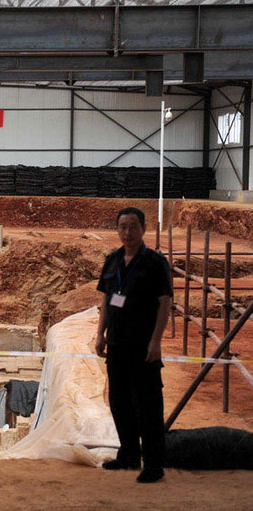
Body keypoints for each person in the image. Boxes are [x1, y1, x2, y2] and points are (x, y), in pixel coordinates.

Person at [95, 207, 172, 483]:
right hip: (116, 343)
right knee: (120, 401)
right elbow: (106, 300)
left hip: (143, 346)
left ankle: (154, 464)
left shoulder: (155, 263)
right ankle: (128, 455)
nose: (128, 233)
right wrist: (100, 333)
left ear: (143, 229)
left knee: (148, 404)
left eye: (133, 227)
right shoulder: (112, 260)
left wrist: (156, 341)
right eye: (123, 227)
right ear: (117, 230)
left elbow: (165, 303)